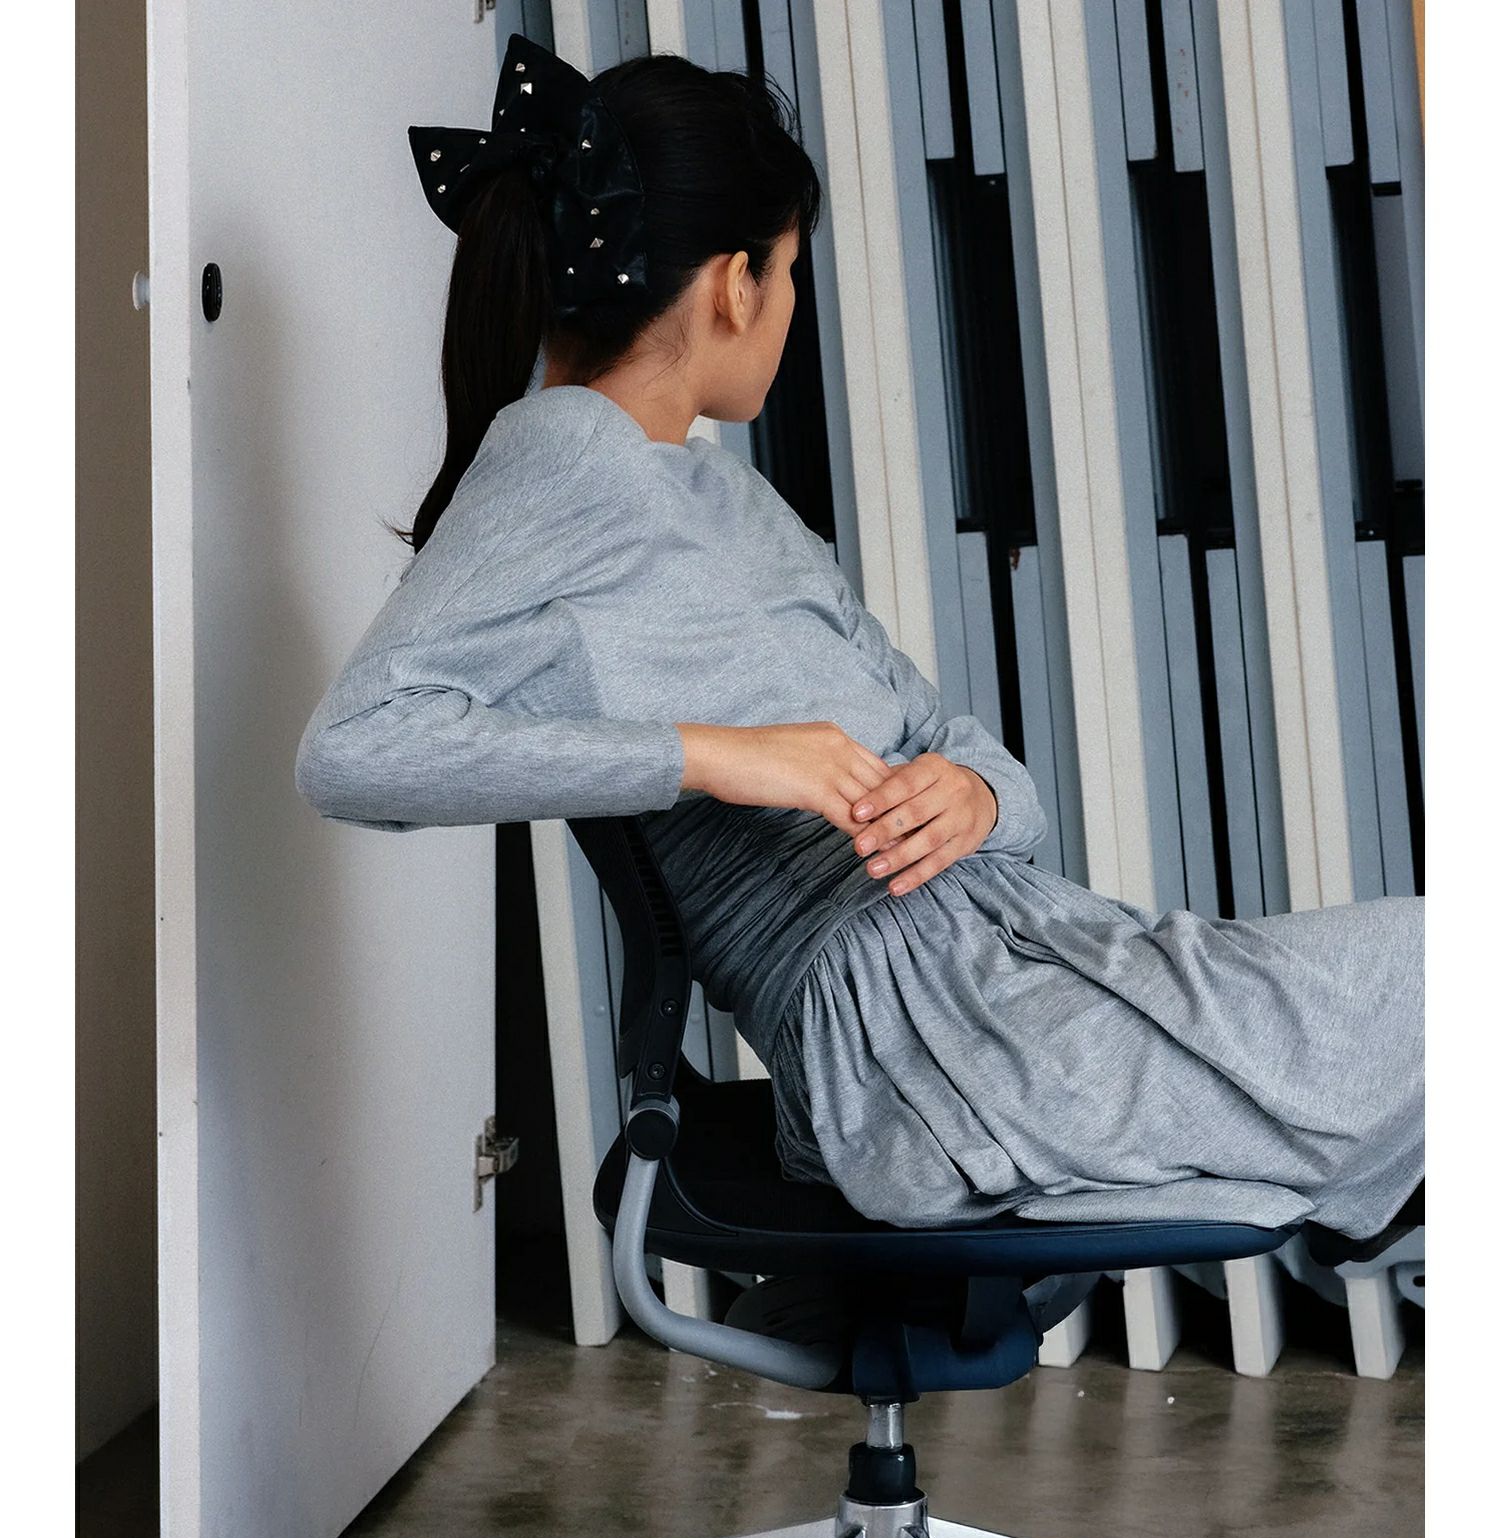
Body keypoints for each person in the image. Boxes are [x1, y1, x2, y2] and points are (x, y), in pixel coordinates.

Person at [295, 36, 1422, 1247]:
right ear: (735, 285)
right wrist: (713, 754)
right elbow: (352, 751)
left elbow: (939, 731)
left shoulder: (722, 494)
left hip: (1024, 964)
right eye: (790, 273)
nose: (789, 305)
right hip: (926, 1048)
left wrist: (975, 796)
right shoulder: (564, 453)